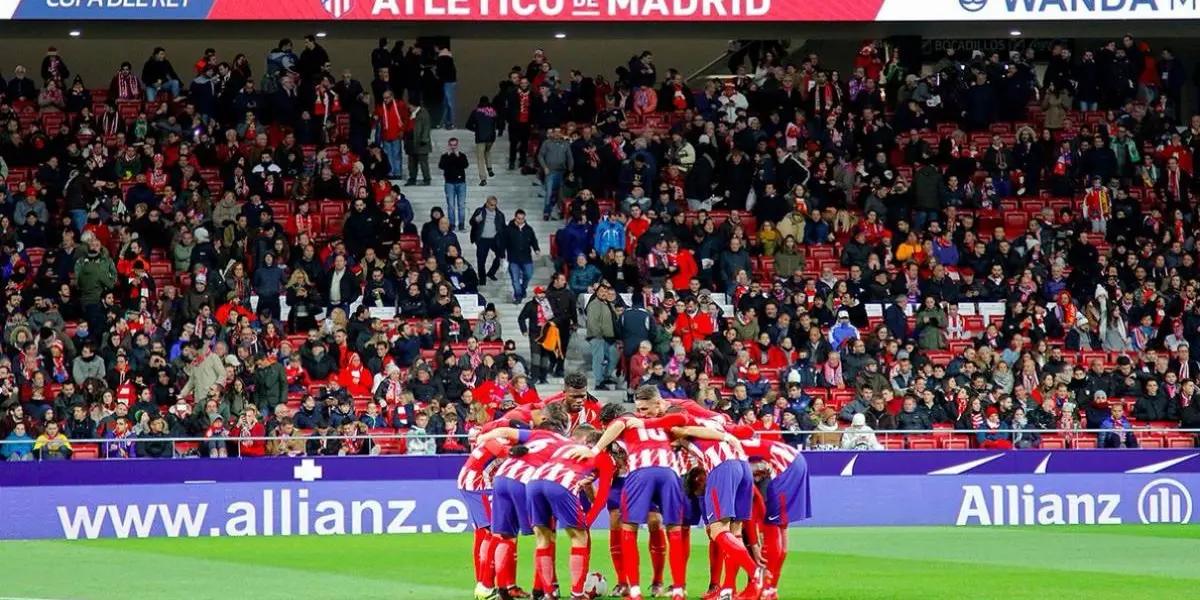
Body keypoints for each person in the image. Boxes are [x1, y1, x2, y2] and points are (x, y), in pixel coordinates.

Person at [498, 209, 540, 303]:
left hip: (526, 258)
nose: (520, 220)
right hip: (513, 259)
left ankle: (523, 289)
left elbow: (533, 240)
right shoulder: (508, 229)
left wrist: (536, 249)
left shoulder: (528, 229)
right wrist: (502, 255)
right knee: (515, 279)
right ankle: (518, 295)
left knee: (528, 275)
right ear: (515, 218)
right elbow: (503, 243)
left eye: (522, 219)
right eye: (518, 218)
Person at [537, 126, 574, 220]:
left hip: (562, 172)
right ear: (552, 133)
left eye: (559, 132)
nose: (557, 134)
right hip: (550, 171)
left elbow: (570, 158)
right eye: (555, 132)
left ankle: (558, 211)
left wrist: (570, 171)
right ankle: (546, 212)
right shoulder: (546, 143)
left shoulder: (565, 144)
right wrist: (544, 167)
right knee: (549, 193)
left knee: (560, 195)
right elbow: (540, 156)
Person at [469, 195, 505, 282]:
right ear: (487, 203)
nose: (493, 207)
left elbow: (503, 228)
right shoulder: (479, 211)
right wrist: (476, 220)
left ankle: (491, 273)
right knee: (481, 260)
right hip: (482, 240)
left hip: (494, 239)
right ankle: (482, 279)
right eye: (491, 205)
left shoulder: (500, 214)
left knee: (500, 255)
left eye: (495, 205)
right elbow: (471, 222)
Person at [374, 89, 409, 179]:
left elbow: (405, 118)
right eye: (384, 98)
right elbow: (377, 117)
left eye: (387, 98)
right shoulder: (380, 106)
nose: (385, 100)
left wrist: (402, 130)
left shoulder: (399, 105)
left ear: (392, 97)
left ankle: (397, 172)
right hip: (385, 134)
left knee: (396, 154)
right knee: (388, 155)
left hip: (396, 134)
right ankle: (390, 172)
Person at [439, 137, 470, 231]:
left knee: (461, 205)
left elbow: (465, 165)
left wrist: (458, 156)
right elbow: (441, 166)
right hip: (449, 183)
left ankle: (461, 224)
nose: (453, 147)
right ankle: (451, 224)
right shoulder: (445, 156)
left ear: (457, 145)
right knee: (451, 205)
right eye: (451, 145)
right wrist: (448, 156)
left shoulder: (462, 155)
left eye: (455, 145)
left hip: (461, 183)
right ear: (449, 145)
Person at [466, 96, 498, 186]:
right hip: (491, 137)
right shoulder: (493, 112)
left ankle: (483, 178)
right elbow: (498, 123)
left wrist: (476, 130)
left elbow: (468, 125)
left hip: (480, 137)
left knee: (480, 158)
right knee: (487, 152)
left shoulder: (476, 112)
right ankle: (490, 168)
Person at [405, 98, 433, 186]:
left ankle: (427, 179)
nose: (408, 107)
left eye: (409, 105)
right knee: (412, 163)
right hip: (411, 141)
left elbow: (426, 127)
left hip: (421, 142)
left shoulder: (423, 113)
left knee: (423, 162)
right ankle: (412, 178)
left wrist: (424, 139)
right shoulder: (410, 113)